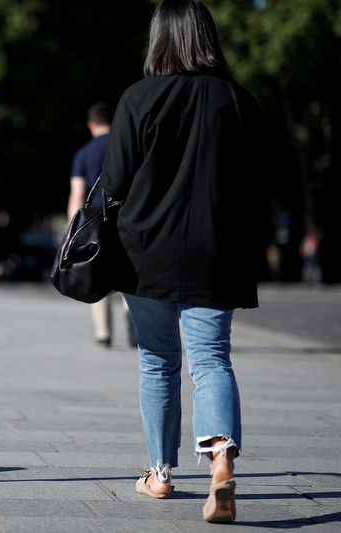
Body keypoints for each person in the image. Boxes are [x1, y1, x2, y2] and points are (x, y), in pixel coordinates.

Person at [100, 0, 265, 523]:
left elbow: (116, 180)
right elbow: (259, 185)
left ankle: (161, 474)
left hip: (144, 251)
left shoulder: (138, 98)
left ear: (159, 38)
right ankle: (221, 463)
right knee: (212, 358)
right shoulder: (239, 101)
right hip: (216, 251)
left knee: (157, 360)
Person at [68, 102, 135, 349]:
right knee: (128, 274)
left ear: (90, 125)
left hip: (96, 222)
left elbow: (77, 194)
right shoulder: (127, 148)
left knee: (97, 273)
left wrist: (73, 228)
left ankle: (103, 333)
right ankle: (135, 329)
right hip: (126, 218)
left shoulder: (84, 153)